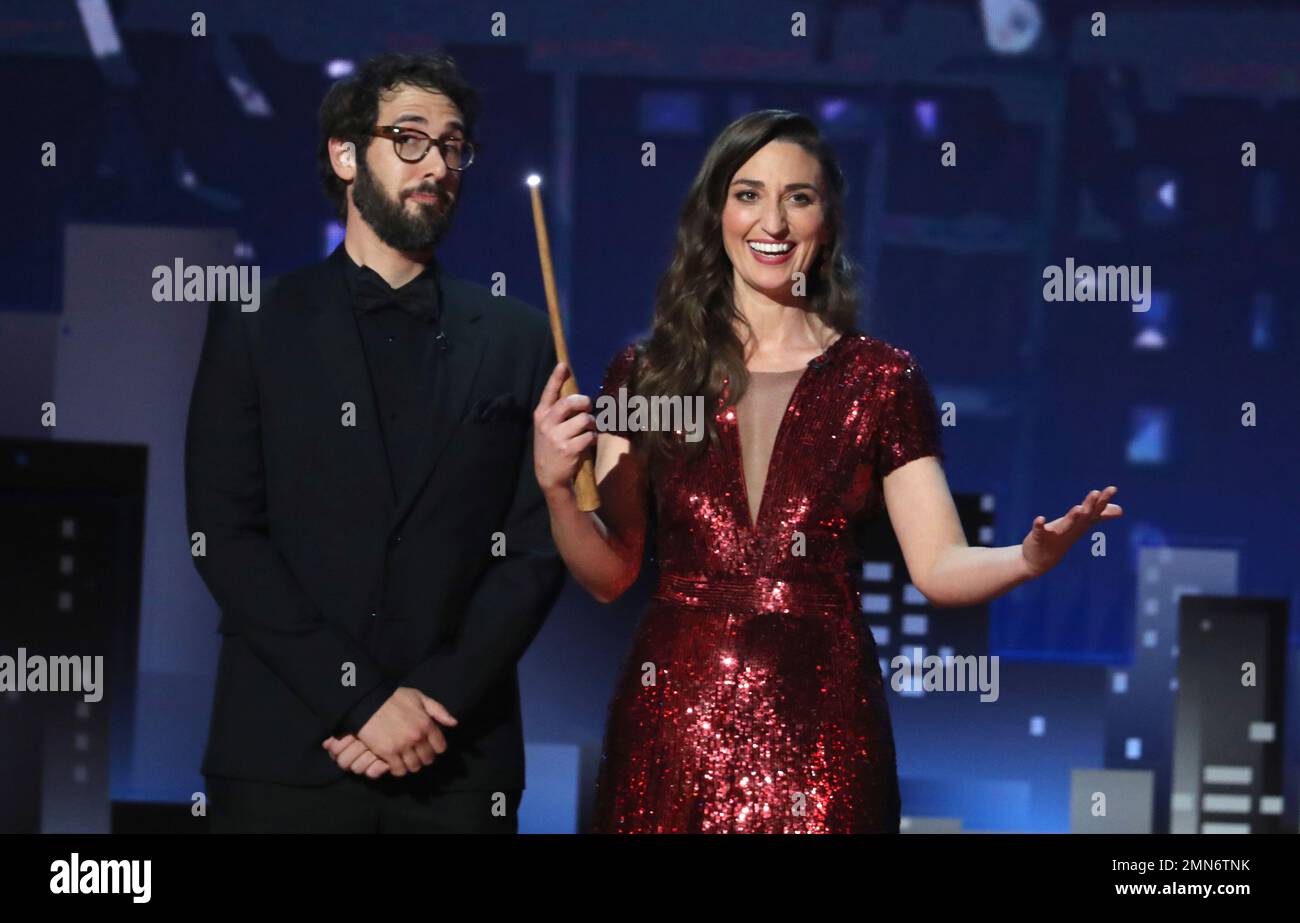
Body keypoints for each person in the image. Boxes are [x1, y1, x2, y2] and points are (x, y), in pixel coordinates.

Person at [533, 110, 1122, 833]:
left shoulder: (881, 379)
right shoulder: (649, 374)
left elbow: (938, 565)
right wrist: (560, 490)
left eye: (798, 197)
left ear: (829, 219)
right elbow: (611, 571)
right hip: (672, 721)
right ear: (716, 213)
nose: (772, 221)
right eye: (748, 194)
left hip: (823, 729)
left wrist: (1031, 557)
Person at [185, 52, 564, 833]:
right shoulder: (254, 321)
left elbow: (534, 550)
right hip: (283, 753)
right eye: (411, 139)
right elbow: (223, 536)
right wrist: (360, 701)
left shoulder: (522, 339)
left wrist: (432, 705)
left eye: (454, 145)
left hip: (457, 761)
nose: (438, 165)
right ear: (345, 153)